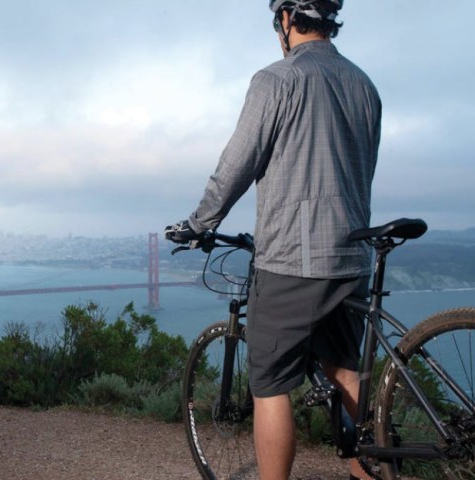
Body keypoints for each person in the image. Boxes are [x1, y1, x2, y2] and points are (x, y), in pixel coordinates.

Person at [165, 1, 381, 479]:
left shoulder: (276, 80)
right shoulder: (365, 86)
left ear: (286, 20)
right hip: (352, 257)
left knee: (270, 384)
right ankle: (370, 473)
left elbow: (238, 163)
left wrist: (201, 222)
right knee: (344, 371)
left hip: (291, 261)